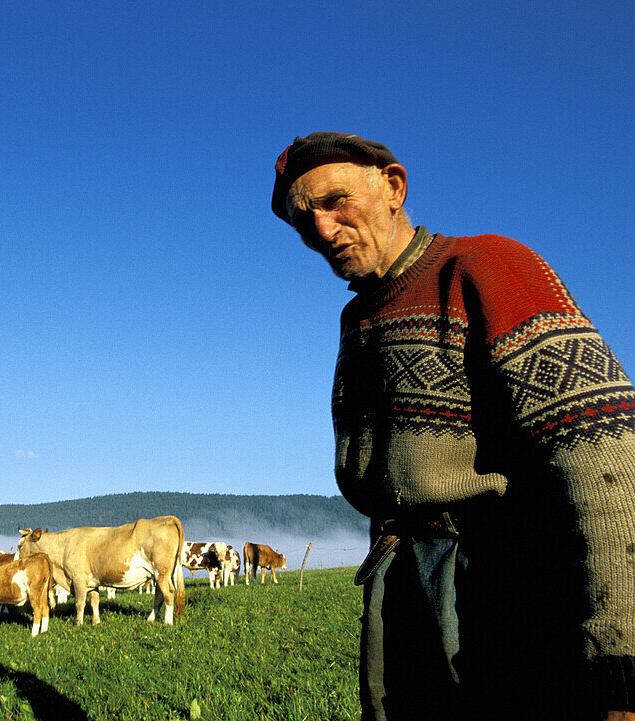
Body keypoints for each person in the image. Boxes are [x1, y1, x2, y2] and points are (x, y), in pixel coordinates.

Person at [271, 132, 635, 720]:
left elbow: (605, 454)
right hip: (400, 574)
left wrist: (619, 660)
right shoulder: (359, 314)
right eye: (301, 218)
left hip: (501, 577)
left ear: (393, 187)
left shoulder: (489, 266)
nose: (320, 230)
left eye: (336, 200)